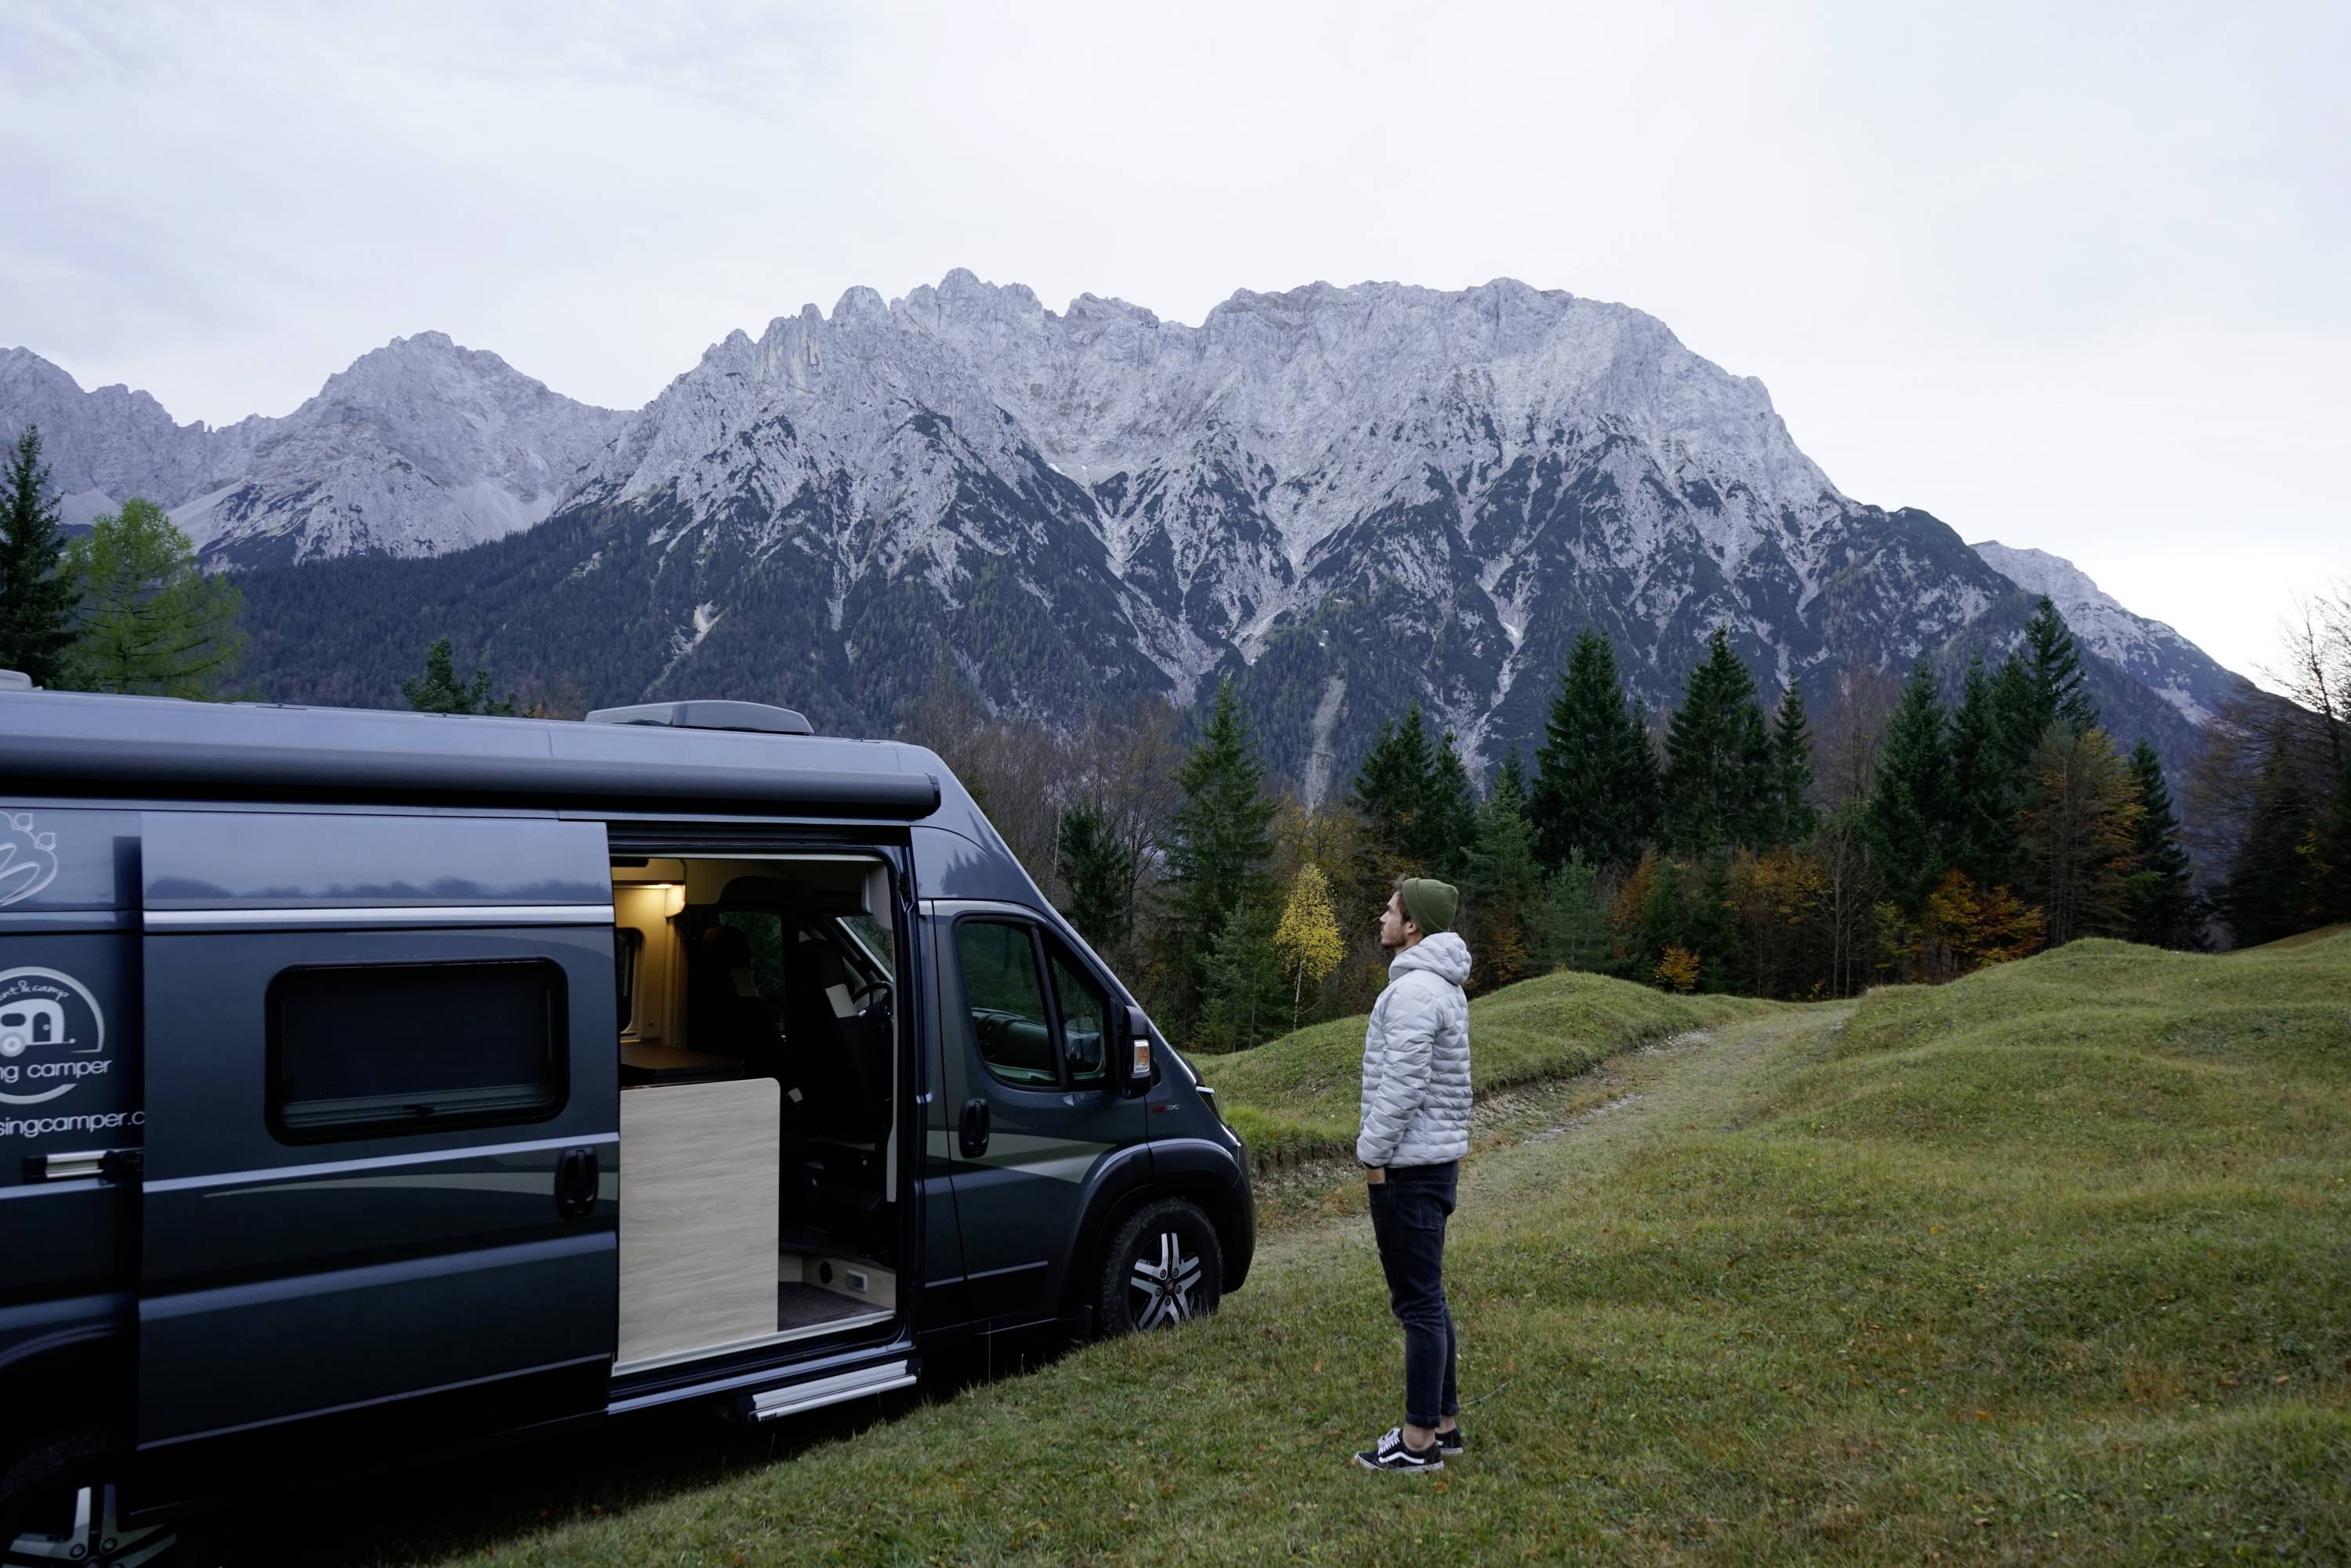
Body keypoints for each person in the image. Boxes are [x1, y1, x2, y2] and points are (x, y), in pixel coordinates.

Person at [1353, 875, 1472, 1474]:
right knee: (1430, 1294)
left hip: (1410, 1168)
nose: (1383, 915)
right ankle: (1444, 1424)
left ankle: (1419, 1440)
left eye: (1391, 908)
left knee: (1418, 1303)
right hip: (1434, 1162)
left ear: (1414, 926)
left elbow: (1403, 1085)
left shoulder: (1417, 991)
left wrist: (1370, 1151)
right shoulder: (1439, 986)